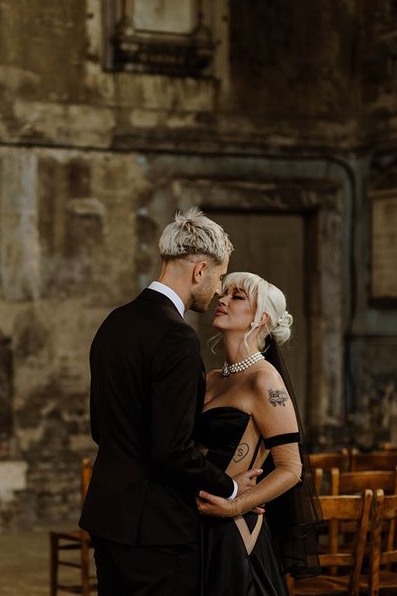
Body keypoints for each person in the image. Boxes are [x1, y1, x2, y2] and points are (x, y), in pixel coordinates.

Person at [79, 209, 263, 595]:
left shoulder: (114, 323)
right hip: (157, 530)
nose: (216, 291)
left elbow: (101, 427)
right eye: (217, 277)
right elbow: (172, 450)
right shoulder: (177, 337)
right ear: (199, 271)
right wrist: (229, 488)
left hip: (108, 517)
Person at [195, 272, 322, 595]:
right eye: (224, 294)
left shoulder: (265, 381)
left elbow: (291, 469)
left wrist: (238, 505)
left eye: (237, 297)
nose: (222, 300)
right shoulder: (210, 379)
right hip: (194, 523)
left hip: (234, 531)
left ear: (261, 318)